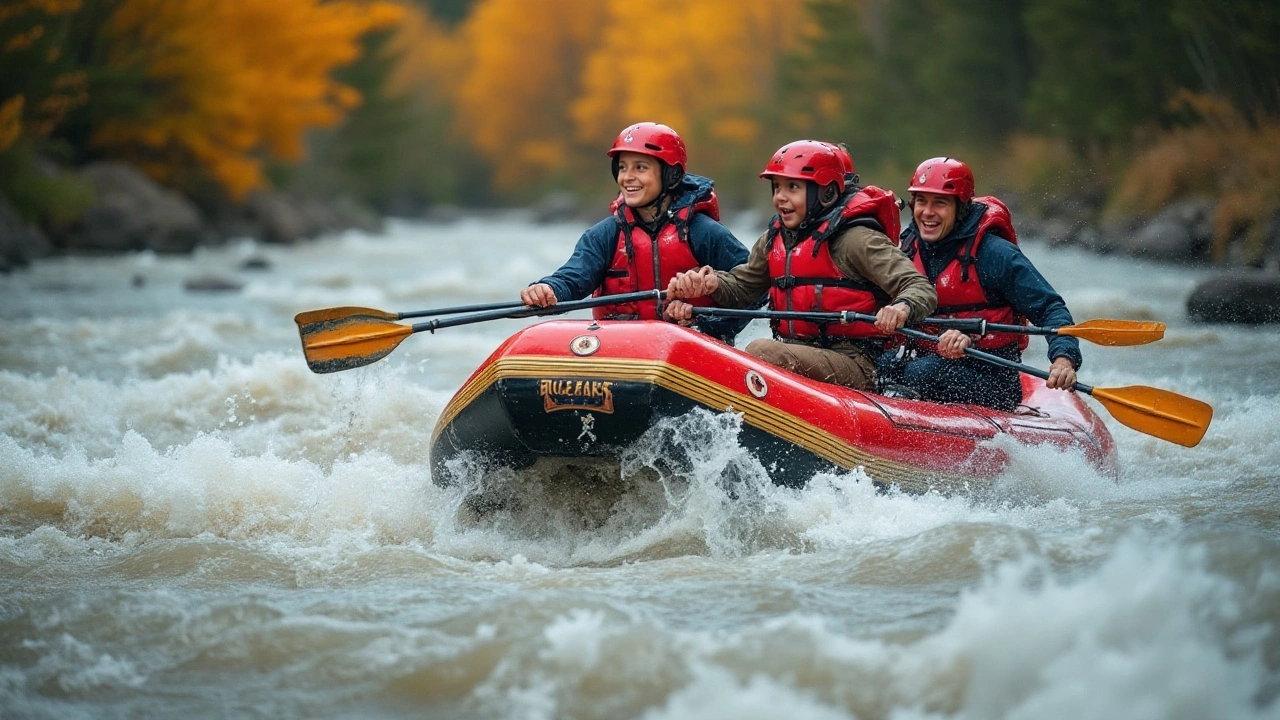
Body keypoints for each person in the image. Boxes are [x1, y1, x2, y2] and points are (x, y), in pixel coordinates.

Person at [664, 140, 937, 389]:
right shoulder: (775, 237)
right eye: (777, 187)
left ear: (826, 193)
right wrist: (710, 282)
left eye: (792, 187)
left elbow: (919, 288)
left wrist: (902, 307)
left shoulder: (856, 240)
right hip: (796, 353)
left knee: (762, 351)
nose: (780, 197)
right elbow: (744, 288)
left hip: (856, 362)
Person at [877, 156, 1082, 411]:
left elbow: (1051, 309)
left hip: (993, 380)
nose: (927, 212)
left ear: (960, 208)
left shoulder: (995, 254)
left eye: (939, 203)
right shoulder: (908, 246)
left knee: (923, 372)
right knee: (883, 365)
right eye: (921, 202)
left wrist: (1064, 360)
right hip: (924, 363)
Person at [520, 122, 751, 343]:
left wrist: (706, 323)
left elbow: (753, 290)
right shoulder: (605, 235)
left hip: (689, 348)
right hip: (622, 349)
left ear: (671, 175)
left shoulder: (704, 232)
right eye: (622, 167)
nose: (627, 177)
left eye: (640, 167)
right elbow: (573, 278)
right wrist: (548, 289)